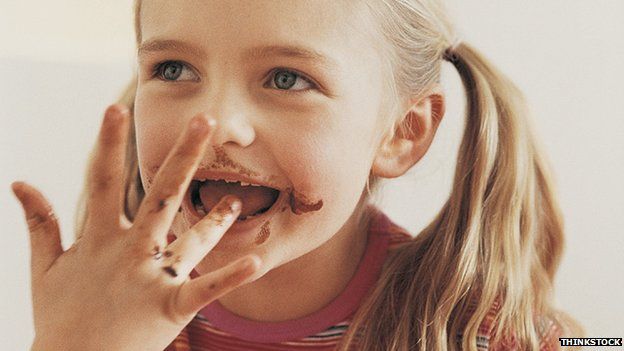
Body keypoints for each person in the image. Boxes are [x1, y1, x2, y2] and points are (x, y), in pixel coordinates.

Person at [11, 1, 583, 350]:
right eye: (174, 68)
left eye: (287, 79)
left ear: (401, 132)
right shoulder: (97, 317)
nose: (215, 125)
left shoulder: (494, 336)